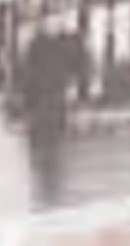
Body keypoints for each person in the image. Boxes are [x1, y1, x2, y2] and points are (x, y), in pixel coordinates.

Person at [15, 14, 82, 201]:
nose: (55, 27)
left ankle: (50, 173)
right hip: (42, 97)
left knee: (52, 136)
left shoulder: (63, 43)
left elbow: (76, 65)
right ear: (45, 26)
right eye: (51, 24)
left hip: (54, 96)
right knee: (44, 137)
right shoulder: (36, 45)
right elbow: (27, 74)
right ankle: (46, 173)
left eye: (57, 24)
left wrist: (74, 85)